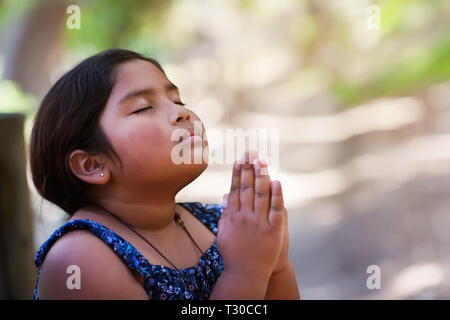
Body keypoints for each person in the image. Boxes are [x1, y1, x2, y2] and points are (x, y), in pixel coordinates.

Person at [29, 48, 300, 300]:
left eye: (177, 99)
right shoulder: (79, 259)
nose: (182, 113)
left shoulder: (215, 223)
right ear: (92, 165)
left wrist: (275, 264)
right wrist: (244, 272)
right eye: (144, 107)